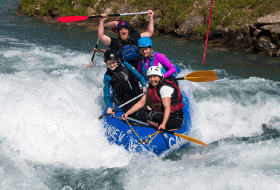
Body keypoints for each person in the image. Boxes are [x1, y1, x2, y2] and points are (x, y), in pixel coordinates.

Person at [122, 66, 184, 131]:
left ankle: (159, 128)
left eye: (155, 76)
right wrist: (128, 113)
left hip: (175, 118)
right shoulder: (151, 87)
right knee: (137, 113)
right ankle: (152, 124)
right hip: (161, 113)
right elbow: (141, 102)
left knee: (151, 115)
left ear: (159, 77)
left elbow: (167, 107)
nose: (152, 79)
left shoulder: (164, 88)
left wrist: (163, 124)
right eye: (150, 77)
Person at [103, 49, 147, 121]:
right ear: (106, 63)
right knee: (138, 114)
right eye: (109, 63)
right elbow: (106, 95)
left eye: (113, 62)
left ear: (117, 60)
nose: (112, 65)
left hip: (136, 91)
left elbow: (140, 77)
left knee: (149, 106)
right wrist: (108, 107)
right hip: (124, 98)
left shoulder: (126, 65)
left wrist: (144, 86)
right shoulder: (107, 76)